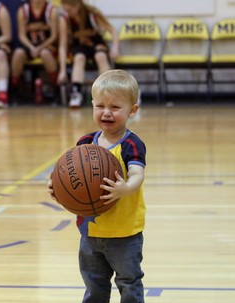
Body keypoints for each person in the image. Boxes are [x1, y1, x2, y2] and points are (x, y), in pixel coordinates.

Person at [48, 69, 146, 303]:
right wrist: (56, 188)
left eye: (115, 107)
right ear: (92, 105)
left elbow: (137, 174)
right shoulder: (84, 143)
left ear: (132, 110)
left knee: (129, 282)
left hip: (125, 233)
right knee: (94, 283)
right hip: (90, 232)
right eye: (100, 106)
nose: (107, 112)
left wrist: (125, 188)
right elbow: (69, 177)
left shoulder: (131, 144)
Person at [58, 0, 119, 108]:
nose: (68, 12)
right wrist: (62, 70)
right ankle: (76, 93)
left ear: (78, 5)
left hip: (96, 44)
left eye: (70, 9)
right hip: (79, 47)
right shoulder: (65, 19)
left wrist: (115, 48)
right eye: (65, 9)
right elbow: (62, 46)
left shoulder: (92, 14)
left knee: (100, 56)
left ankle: (110, 91)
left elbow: (112, 30)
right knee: (79, 58)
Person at [10, 0, 59, 104]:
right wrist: (31, 47)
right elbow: (22, 35)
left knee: (45, 54)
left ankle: (56, 88)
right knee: (18, 53)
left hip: (46, 45)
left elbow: (54, 36)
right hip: (29, 45)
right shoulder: (23, 10)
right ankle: (14, 89)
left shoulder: (51, 10)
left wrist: (40, 47)